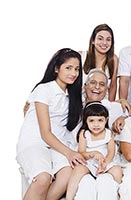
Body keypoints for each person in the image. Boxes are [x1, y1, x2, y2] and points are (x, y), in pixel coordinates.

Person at [16, 48, 86, 200]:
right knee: (43, 178)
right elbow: (45, 133)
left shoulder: (72, 96)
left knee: (67, 174)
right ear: (56, 68)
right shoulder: (44, 90)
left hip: (56, 146)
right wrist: (69, 152)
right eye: (68, 68)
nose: (73, 73)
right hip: (35, 142)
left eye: (76, 69)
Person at [70, 68, 131, 200]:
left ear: (107, 89)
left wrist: (123, 117)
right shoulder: (74, 105)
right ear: (85, 86)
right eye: (93, 82)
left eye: (102, 84)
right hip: (84, 159)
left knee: (110, 178)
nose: (97, 87)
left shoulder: (113, 107)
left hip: (106, 161)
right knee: (85, 183)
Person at [66, 102, 122, 200]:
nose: (96, 125)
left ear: (106, 120)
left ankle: (117, 194)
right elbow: (82, 153)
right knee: (78, 170)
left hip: (105, 161)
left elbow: (111, 151)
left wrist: (105, 163)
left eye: (100, 120)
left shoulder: (109, 133)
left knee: (117, 170)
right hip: (89, 161)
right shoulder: (84, 133)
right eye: (91, 121)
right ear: (86, 121)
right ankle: (69, 197)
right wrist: (93, 154)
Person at [81, 24, 118, 101]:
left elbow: (113, 86)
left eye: (108, 39)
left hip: (102, 106)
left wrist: (110, 107)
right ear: (93, 41)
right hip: (80, 104)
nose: (104, 43)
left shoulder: (114, 59)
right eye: (100, 39)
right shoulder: (81, 56)